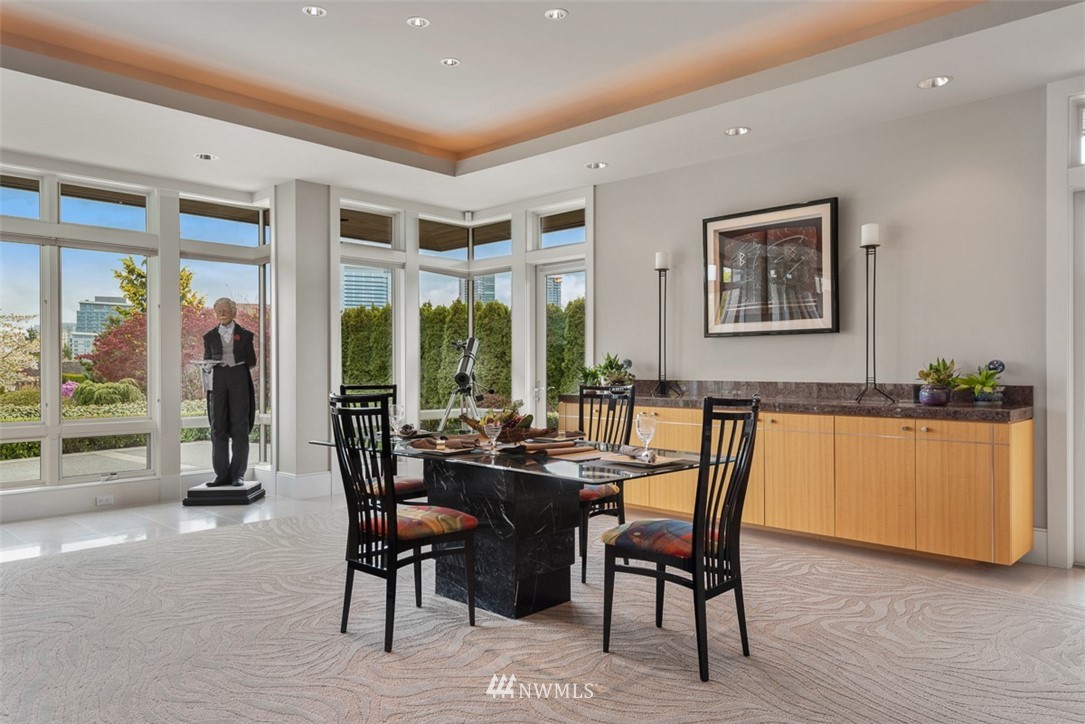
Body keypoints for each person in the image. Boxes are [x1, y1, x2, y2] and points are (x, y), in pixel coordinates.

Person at [203, 298, 257, 487]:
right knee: (217, 426)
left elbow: (252, 361)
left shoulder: (246, 335)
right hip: (218, 379)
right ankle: (221, 474)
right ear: (215, 313)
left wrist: (237, 364)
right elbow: (207, 360)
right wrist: (208, 366)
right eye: (219, 311)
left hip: (239, 377)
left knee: (240, 426)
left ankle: (238, 475)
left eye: (226, 310)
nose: (222, 314)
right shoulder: (209, 336)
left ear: (234, 312)